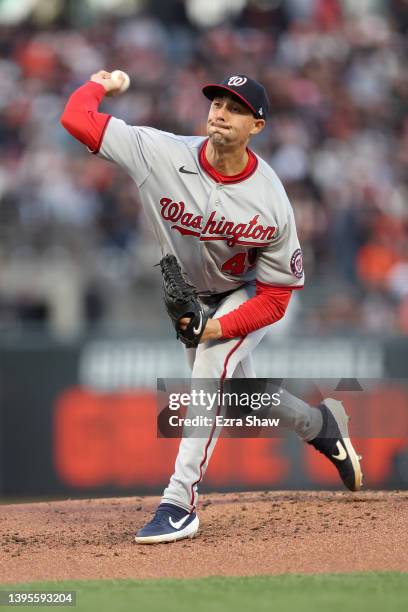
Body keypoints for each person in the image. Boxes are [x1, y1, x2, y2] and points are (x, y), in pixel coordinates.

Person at [61, 72, 363, 545]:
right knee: (239, 398)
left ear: (257, 126)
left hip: (242, 294)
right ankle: (318, 423)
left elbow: (276, 298)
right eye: (217, 102)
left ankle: (180, 502)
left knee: (208, 364)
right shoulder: (160, 153)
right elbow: (76, 118)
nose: (220, 112)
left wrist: (216, 328)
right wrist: (101, 82)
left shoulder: (271, 200)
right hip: (192, 298)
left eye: (236, 108)